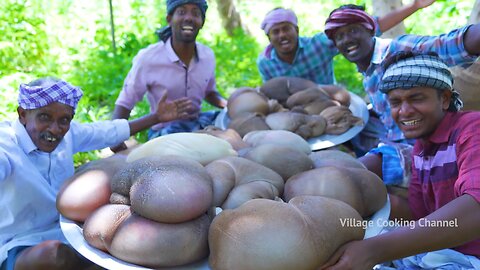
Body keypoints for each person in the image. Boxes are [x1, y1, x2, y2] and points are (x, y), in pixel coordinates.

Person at [0, 77, 193, 270]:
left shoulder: (68, 135)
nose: (54, 129)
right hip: (18, 243)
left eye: (64, 120)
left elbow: (106, 131)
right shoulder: (6, 147)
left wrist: (156, 117)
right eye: (44, 117)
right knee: (55, 256)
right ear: (23, 114)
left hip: (69, 233)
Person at [321, 52, 480, 270]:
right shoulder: (421, 149)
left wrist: (374, 251)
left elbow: (476, 209)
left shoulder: (472, 129)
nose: (404, 111)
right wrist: (361, 203)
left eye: (416, 98)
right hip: (446, 252)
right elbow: (420, 215)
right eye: (395, 102)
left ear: (444, 98)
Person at [324, 5, 480, 187]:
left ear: (370, 29)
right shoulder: (367, 71)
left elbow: (449, 44)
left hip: (425, 145)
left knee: (360, 171)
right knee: (354, 131)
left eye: (352, 30)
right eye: (339, 37)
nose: (347, 39)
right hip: (396, 135)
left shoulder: (399, 50)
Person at [111, 0, 227, 152]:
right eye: (181, 12)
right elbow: (126, 101)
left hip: (198, 122)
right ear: (169, 19)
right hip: (166, 131)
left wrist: (230, 105)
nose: (189, 18)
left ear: (202, 22)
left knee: (234, 124)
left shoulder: (207, 55)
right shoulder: (148, 59)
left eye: (196, 13)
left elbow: (209, 92)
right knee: (199, 146)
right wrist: (115, 138)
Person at [257, 0, 437, 84]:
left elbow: (376, 24)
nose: (282, 35)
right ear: (269, 37)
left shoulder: (318, 45)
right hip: (295, 110)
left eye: (286, 28)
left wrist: (414, 6)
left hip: (332, 102)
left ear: (296, 30)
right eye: (276, 31)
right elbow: (274, 90)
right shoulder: (265, 63)